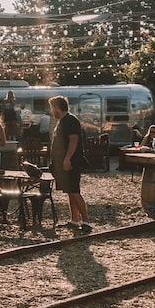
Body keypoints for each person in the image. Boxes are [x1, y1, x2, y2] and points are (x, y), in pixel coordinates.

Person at [49, 95, 90, 233]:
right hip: (62, 164)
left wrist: (67, 159)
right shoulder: (61, 121)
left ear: (57, 107)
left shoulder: (70, 120)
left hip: (71, 163)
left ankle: (86, 221)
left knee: (74, 190)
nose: (51, 111)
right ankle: (74, 220)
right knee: (69, 192)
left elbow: (74, 140)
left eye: (52, 107)